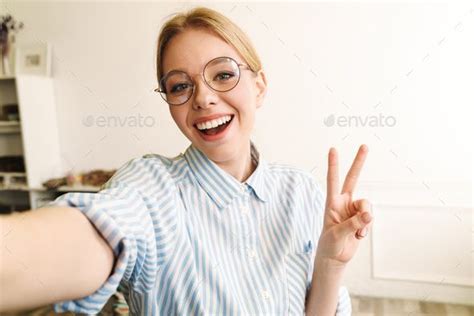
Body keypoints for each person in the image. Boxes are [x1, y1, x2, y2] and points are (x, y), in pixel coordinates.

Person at [0, 6, 373, 315]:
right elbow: (94, 233)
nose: (203, 98)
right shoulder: (151, 187)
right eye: (180, 85)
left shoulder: (302, 190)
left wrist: (329, 265)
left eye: (223, 75)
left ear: (259, 87)